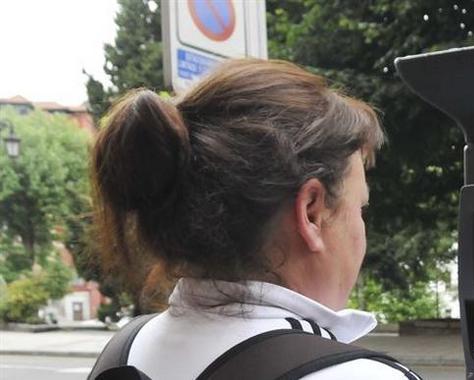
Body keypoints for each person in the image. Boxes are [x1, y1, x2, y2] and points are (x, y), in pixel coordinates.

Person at [87, 59, 420, 379]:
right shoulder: (359, 375)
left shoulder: (122, 355)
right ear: (312, 213)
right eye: (359, 209)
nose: (362, 231)